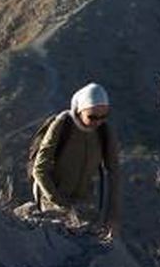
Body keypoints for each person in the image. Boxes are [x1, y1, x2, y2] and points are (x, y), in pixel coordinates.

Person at [31, 82, 122, 237]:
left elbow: (114, 173)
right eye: (92, 117)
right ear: (79, 111)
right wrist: (58, 202)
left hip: (83, 203)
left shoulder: (104, 131)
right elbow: (39, 169)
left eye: (103, 116)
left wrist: (112, 217)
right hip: (52, 201)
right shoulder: (62, 125)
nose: (98, 121)